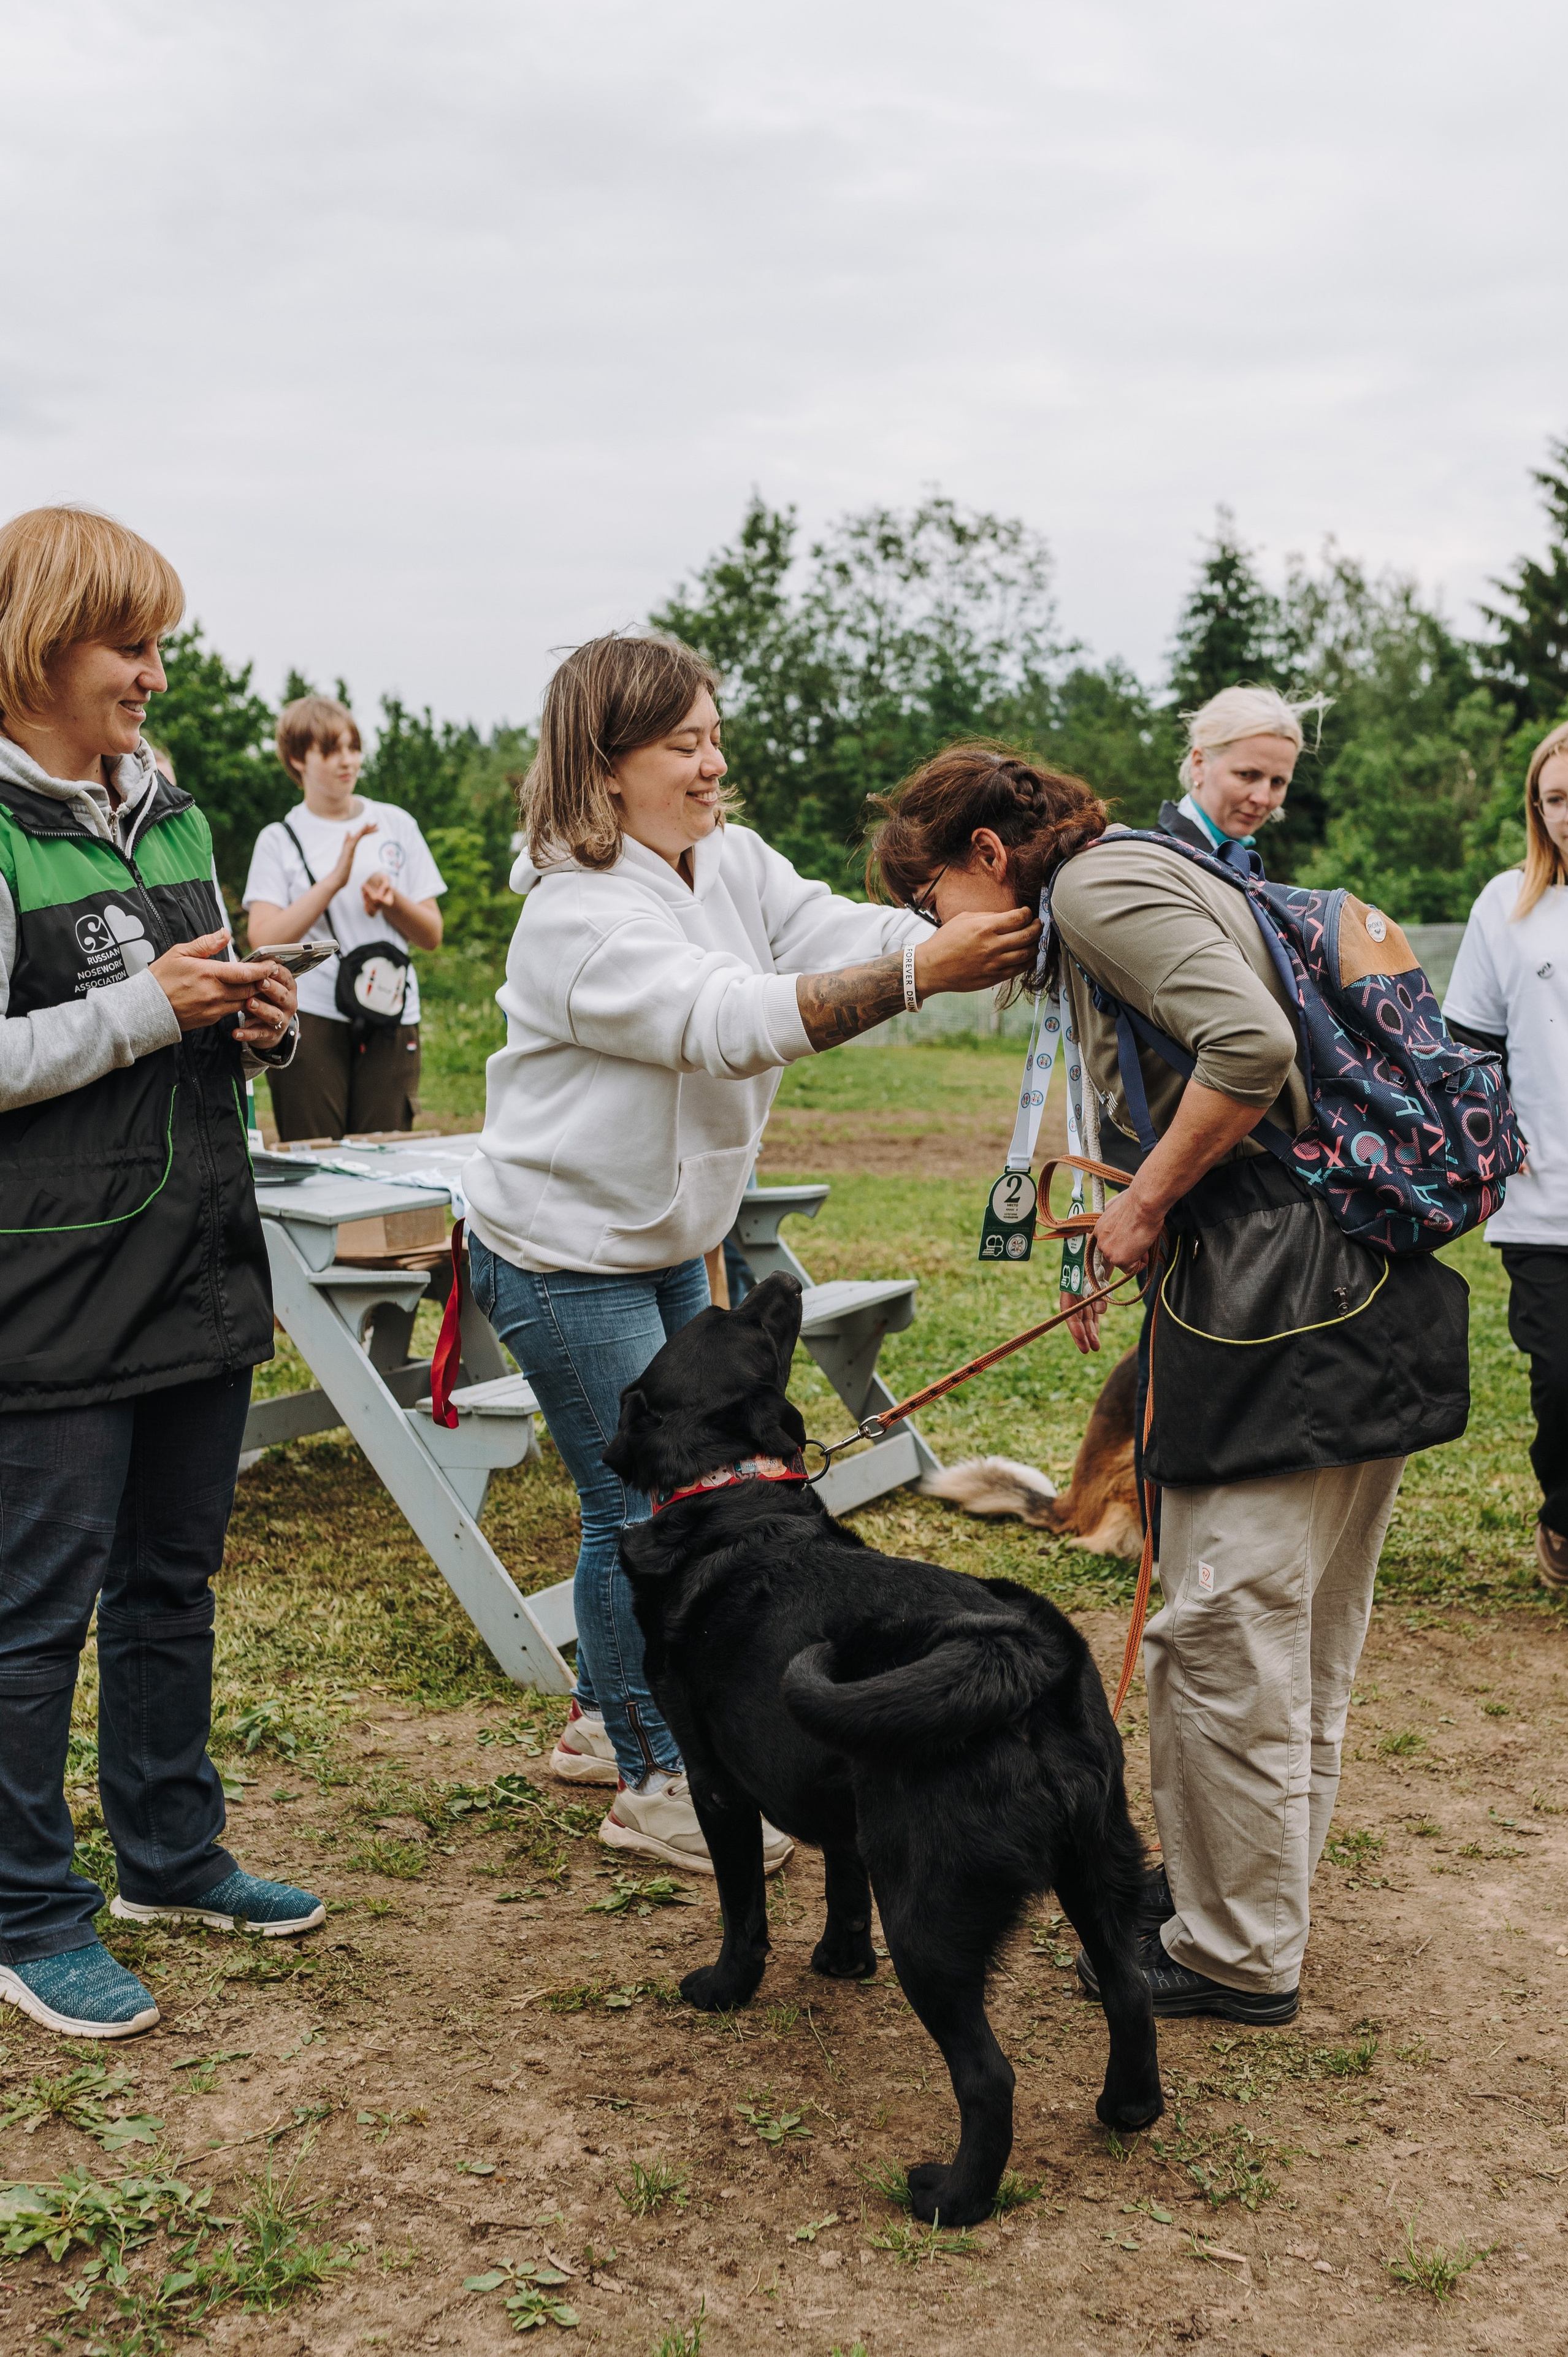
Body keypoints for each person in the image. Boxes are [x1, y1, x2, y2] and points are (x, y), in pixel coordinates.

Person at [866, 724, 1469, 2026]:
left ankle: (1232, 1951)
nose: (941, 932)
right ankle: (1248, 1901)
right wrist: (1139, 1209)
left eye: (932, 903)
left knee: (1223, 1643)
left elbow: (1246, 1052)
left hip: (1279, 1316)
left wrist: (1142, 1204)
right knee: (1292, 1638)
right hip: (1340, 1296)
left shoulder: (1090, 887)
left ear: (986, 852)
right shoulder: (1140, 872)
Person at [461, 633, 1039, 1873]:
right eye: (682, 745)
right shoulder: (576, 921)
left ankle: (593, 1719)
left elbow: (829, 928)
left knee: (651, 1502)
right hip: (564, 1258)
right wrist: (916, 972)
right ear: (603, 767)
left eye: (714, 735)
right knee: (648, 1510)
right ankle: (650, 1773)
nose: (712, 764)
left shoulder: (723, 858)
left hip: (669, 1239)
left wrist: (949, 923)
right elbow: (723, 1027)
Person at [0, 506, 323, 2041]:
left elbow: (191, 1006)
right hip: (47, 1288)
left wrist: (255, 1020)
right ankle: (25, 1910)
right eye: (133, 645)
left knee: (171, 1584)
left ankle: (169, 1857)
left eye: (161, 647)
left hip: (197, 1258)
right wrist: (147, 1006)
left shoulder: (171, 811)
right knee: (33, 1614)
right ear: (39, 641)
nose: (153, 675)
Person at [1444, 724, 1568, 1589]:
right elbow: (1471, 1045)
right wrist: (1497, 1144)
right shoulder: (1508, 906)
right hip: (1546, 1195)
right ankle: (1563, 1516)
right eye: (1555, 798)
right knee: (1562, 1375)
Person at [243, 695, 446, 1140]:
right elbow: (263, 938)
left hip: (389, 1010)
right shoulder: (280, 838)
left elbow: (432, 934)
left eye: (353, 747)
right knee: (315, 1157)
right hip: (312, 1012)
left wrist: (393, 901)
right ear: (298, 758)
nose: (347, 761)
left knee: (385, 1157)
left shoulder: (395, 825)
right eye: (331, 750)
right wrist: (334, 881)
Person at [1159, 683, 1305, 864]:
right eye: (1246, 775)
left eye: (1278, 782)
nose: (1263, 799)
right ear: (1199, 764)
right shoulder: (1155, 861)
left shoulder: (1238, 865)